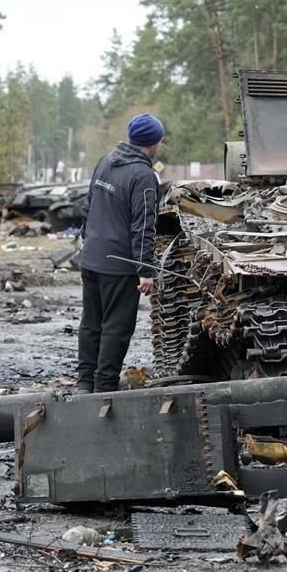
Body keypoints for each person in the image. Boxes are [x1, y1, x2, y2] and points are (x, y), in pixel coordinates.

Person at [76, 113, 164, 393]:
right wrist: (145, 270)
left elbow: (87, 208)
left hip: (91, 259)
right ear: (155, 143)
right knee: (116, 327)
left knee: (91, 322)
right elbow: (144, 225)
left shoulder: (104, 162)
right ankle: (104, 388)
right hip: (119, 266)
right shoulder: (143, 175)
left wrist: (87, 241)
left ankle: (84, 383)